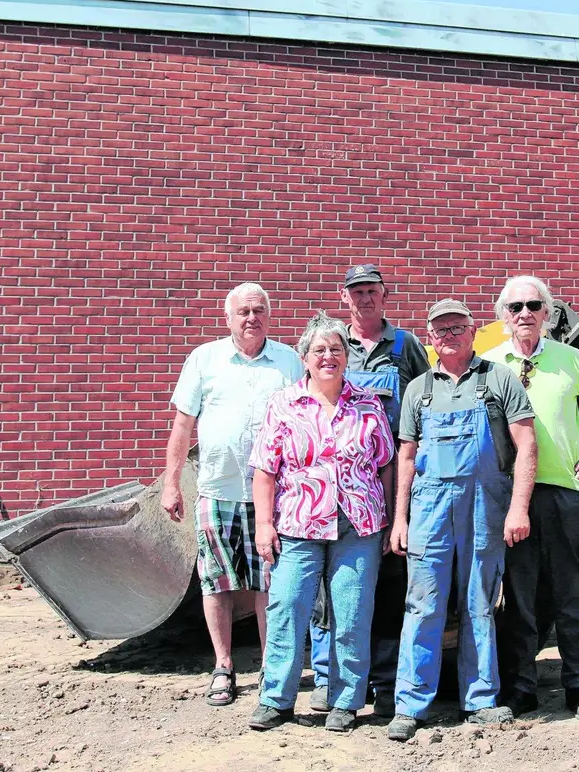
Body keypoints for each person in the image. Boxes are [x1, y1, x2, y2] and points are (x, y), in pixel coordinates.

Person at [385, 298, 538, 742]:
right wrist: (400, 518)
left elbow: (526, 445)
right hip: (429, 506)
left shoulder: (498, 379)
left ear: (473, 331)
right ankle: (411, 705)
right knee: (424, 602)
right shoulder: (419, 389)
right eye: (440, 330)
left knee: (479, 601)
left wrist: (518, 507)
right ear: (429, 338)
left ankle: (481, 699)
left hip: (484, 503)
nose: (448, 336)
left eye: (457, 328)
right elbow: (407, 457)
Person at [246, 312, 396, 733]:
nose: (328, 356)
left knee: (351, 612)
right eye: (319, 350)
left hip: (358, 525)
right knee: (287, 607)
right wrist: (264, 524)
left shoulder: (367, 402)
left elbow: (384, 465)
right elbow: (264, 469)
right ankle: (277, 699)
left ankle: (345, 702)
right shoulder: (284, 403)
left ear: (346, 357)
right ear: (305, 358)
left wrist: (385, 518)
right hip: (297, 524)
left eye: (335, 349)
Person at [160, 282, 303, 708]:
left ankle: (269, 667)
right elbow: (182, 427)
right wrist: (171, 483)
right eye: (243, 311)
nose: (251, 318)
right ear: (228, 318)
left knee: (270, 581)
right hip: (216, 489)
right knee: (217, 580)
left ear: (269, 315)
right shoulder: (205, 359)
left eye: (259, 310)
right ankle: (223, 666)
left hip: (275, 494)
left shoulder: (289, 362)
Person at [485, 275, 579, 722]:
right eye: (515, 306)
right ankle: (521, 687)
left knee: (572, 593)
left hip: (566, 492)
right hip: (509, 497)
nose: (525, 313)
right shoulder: (488, 364)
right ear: (503, 315)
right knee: (519, 596)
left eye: (534, 306)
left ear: (548, 313)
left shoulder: (571, 359)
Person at [308, 263, 431, 717]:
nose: (364, 298)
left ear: (385, 294)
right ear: (345, 298)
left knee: (387, 579)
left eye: (371, 291)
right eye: (356, 291)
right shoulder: (333, 345)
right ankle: (327, 677)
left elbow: (426, 397)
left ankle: (383, 680)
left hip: (390, 476)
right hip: (335, 484)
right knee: (330, 585)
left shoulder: (406, 345)